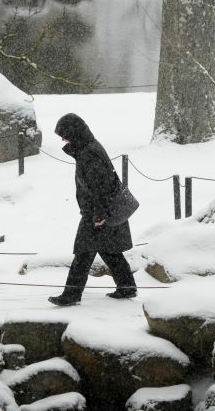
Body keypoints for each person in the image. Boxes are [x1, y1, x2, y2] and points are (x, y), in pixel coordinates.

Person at [48, 113, 138, 307]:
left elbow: (100, 186)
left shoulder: (89, 153)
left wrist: (99, 215)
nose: (63, 140)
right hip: (104, 209)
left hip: (98, 213)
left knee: (83, 253)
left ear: (74, 133)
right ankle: (127, 286)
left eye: (64, 135)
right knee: (109, 250)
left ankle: (72, 294)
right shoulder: (88, 148)